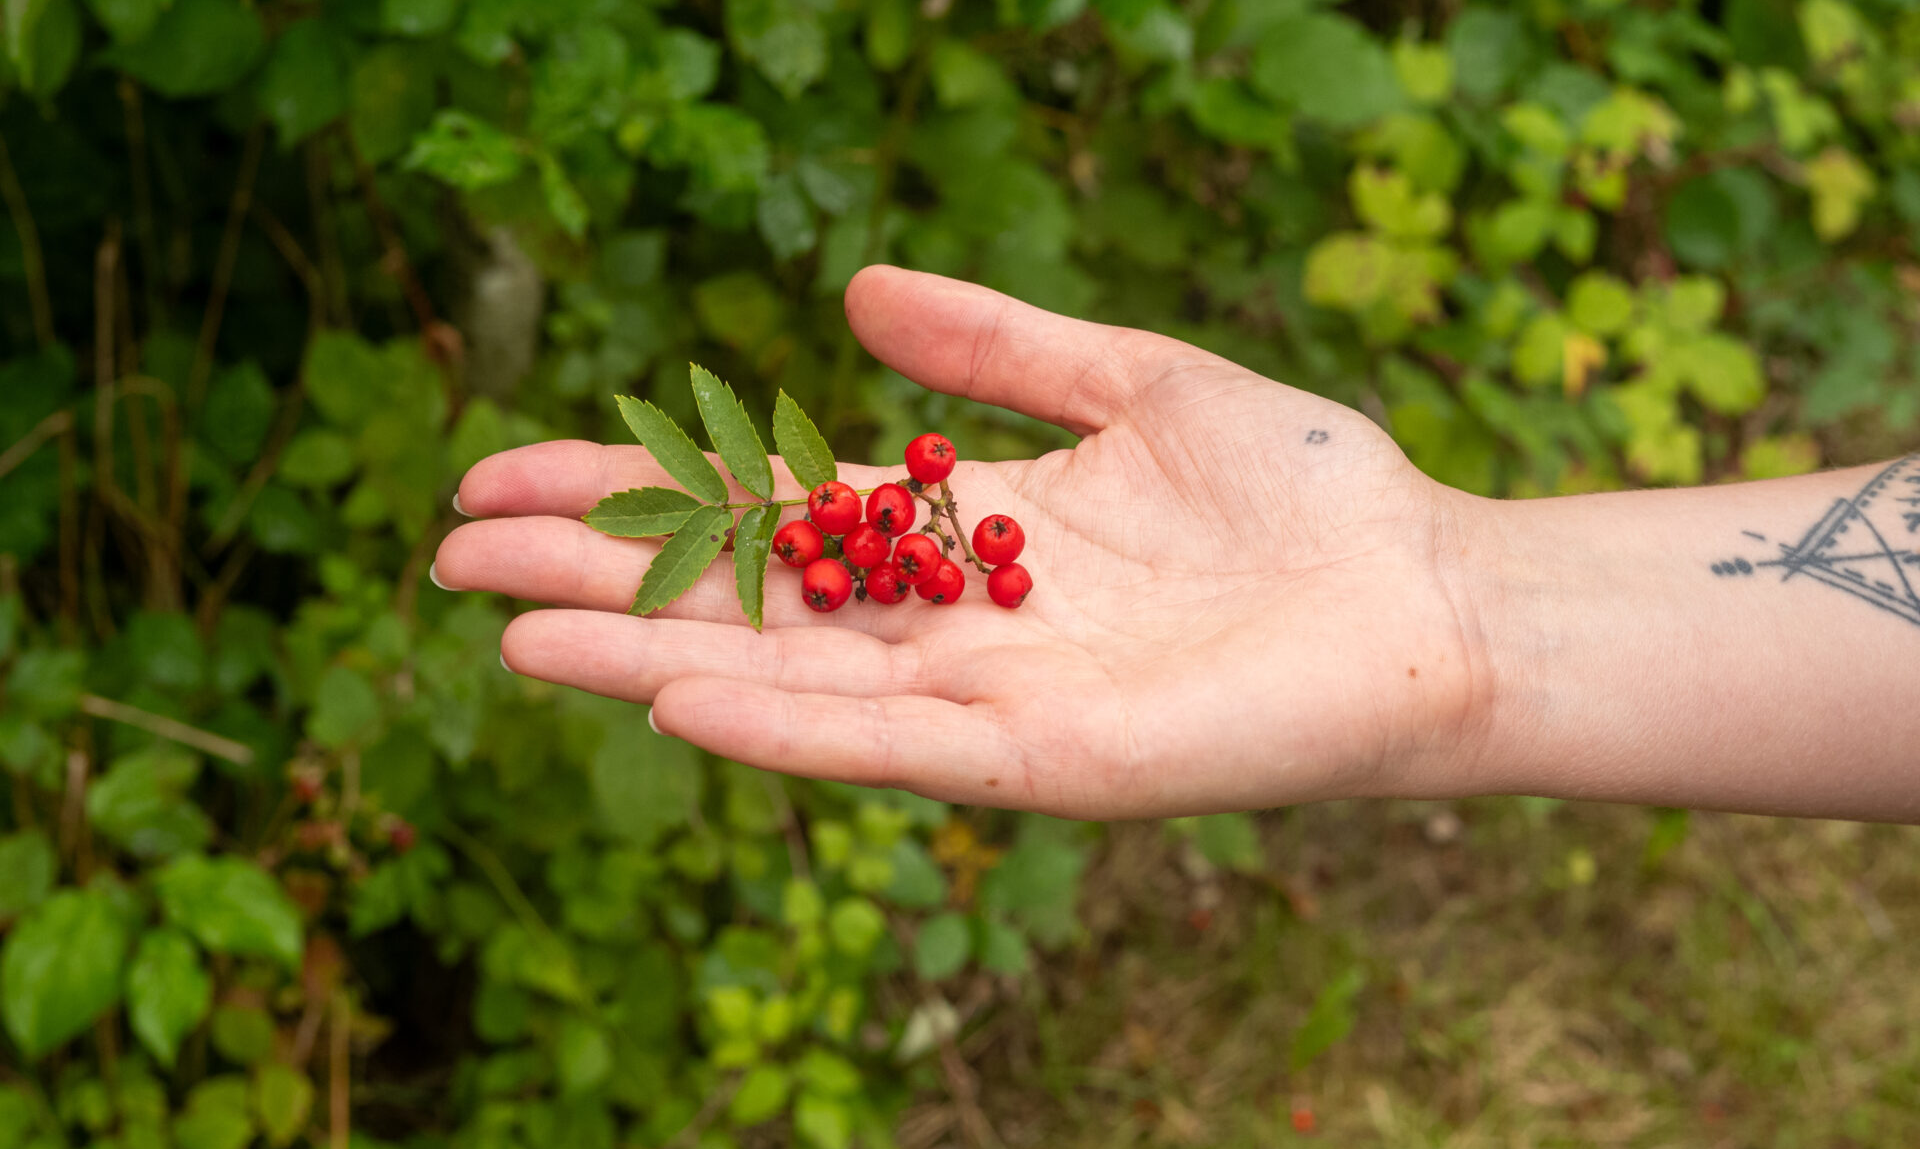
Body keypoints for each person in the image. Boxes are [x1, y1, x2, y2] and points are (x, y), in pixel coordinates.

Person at [431, 266, 1920, 825]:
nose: (893, 534)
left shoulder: (917, 533)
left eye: (897, 529)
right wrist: (1451, 610)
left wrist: (1459, 616)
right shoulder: (921, 534)